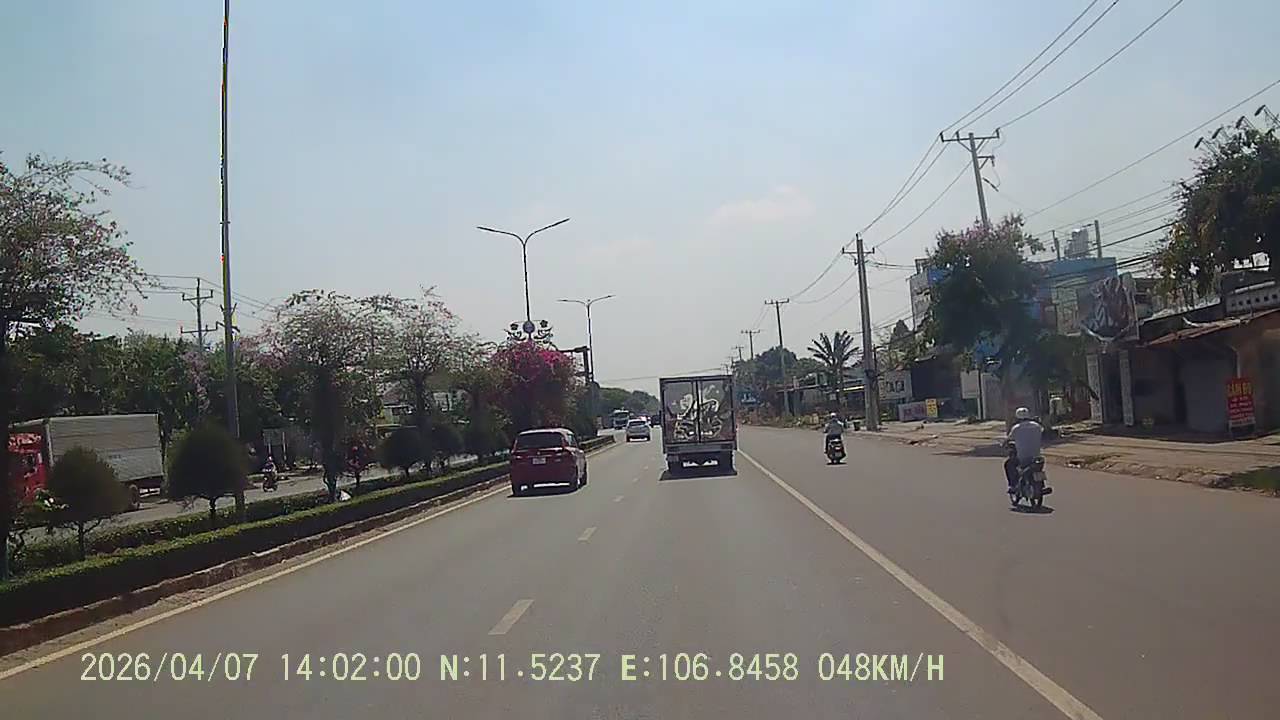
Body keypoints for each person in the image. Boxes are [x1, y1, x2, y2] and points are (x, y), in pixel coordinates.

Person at [1004, 407, 1044, 492]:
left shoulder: (1016, 428)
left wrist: (1005, 443)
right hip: (1037, 456)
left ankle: (1013, 485)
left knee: (1009, 464)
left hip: (1022, 457)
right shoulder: (1037, 426)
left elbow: (1009, 439)